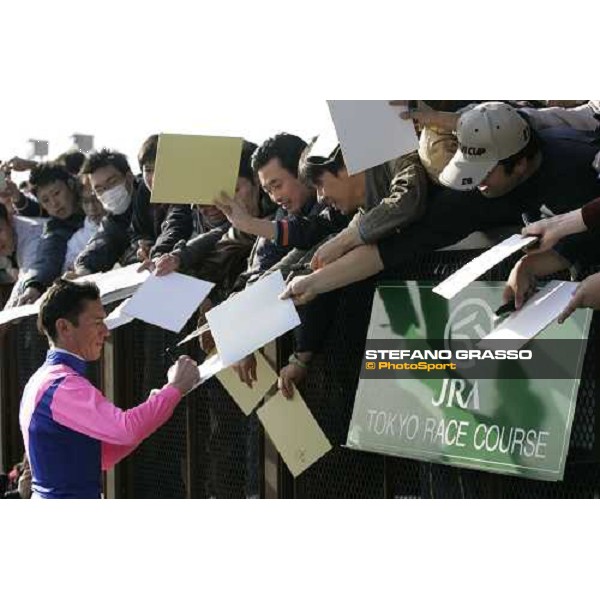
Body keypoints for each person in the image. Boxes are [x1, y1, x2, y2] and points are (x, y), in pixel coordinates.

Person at [282, 101, 600, 305]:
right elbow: (394, 248)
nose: (476, 182)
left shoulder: (582, 168)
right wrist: (314, 282)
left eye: (484, 171)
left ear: (518, 164)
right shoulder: (482, 190)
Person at [19, 279, 200, 499]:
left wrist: (157, 407)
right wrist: (175, 388)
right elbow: (126, 429)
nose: (106, 332)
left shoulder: (43, 379)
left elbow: (102, 456)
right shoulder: (63, 385)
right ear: (64, 327)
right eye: (97, 322)